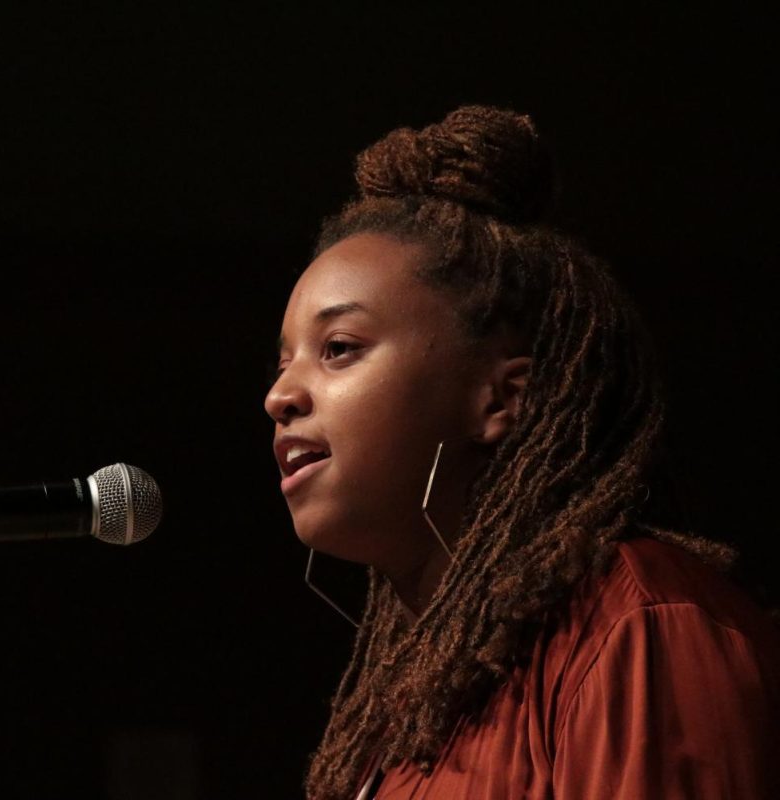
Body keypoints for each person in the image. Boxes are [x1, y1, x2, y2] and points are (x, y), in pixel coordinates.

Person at [264, 105, 779, 799]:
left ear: (501, 399)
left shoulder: (637, 627)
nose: (281, 396)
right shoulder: (419, 695)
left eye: (339, 350)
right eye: (283, 363)